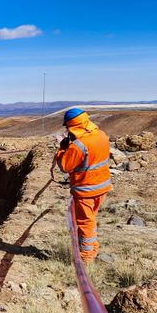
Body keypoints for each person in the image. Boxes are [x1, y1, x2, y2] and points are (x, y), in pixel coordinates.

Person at [54, 107, 111, 263]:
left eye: (68, 127)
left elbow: (65, 166)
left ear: (72, 125)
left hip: (86, 190)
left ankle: (86, 257)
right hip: (102, 187)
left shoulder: (78, 145)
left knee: (85, 222)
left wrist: (61, 149)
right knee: (91, 219)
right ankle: (93, 248)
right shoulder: (101, 135)